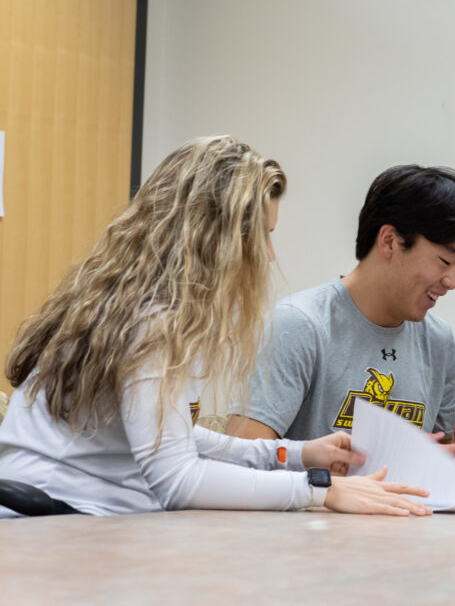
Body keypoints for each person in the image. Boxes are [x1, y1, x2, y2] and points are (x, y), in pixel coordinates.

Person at [0, 137, 430, 517]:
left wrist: (296, 454)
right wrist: (319, 490)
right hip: (52, 517)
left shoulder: (151, 307)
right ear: (215, 235)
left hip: (84, 513)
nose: (270, 255)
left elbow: (176, 439)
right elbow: (177, 479)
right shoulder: (153, 320)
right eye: (262, 235)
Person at [227, 164, 455, 487]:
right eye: (445, 261)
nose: (452, 281)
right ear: (390, 241)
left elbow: (440, 466)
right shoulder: (298, 325)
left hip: (409, 531)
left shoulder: (438, 341)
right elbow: (237, 466)